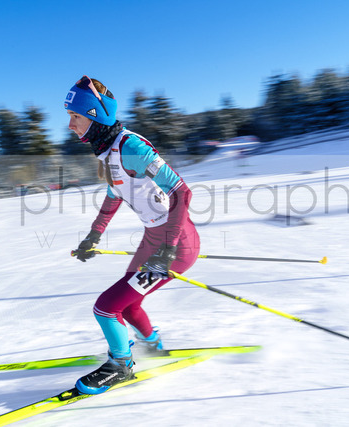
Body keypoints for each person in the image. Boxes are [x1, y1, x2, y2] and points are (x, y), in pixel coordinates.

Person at [65, 76, 200, 395]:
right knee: (126, 305)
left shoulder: (131, 147)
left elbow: (181, 191)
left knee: (106, 307)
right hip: (154, 239)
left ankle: (121, 365)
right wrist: (93, 236)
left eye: (76, 116)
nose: (70, 125)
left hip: (176, 245)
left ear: (96, 116)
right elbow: (114, 195)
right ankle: (152, 345)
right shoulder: (108, 151)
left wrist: (168, 249)